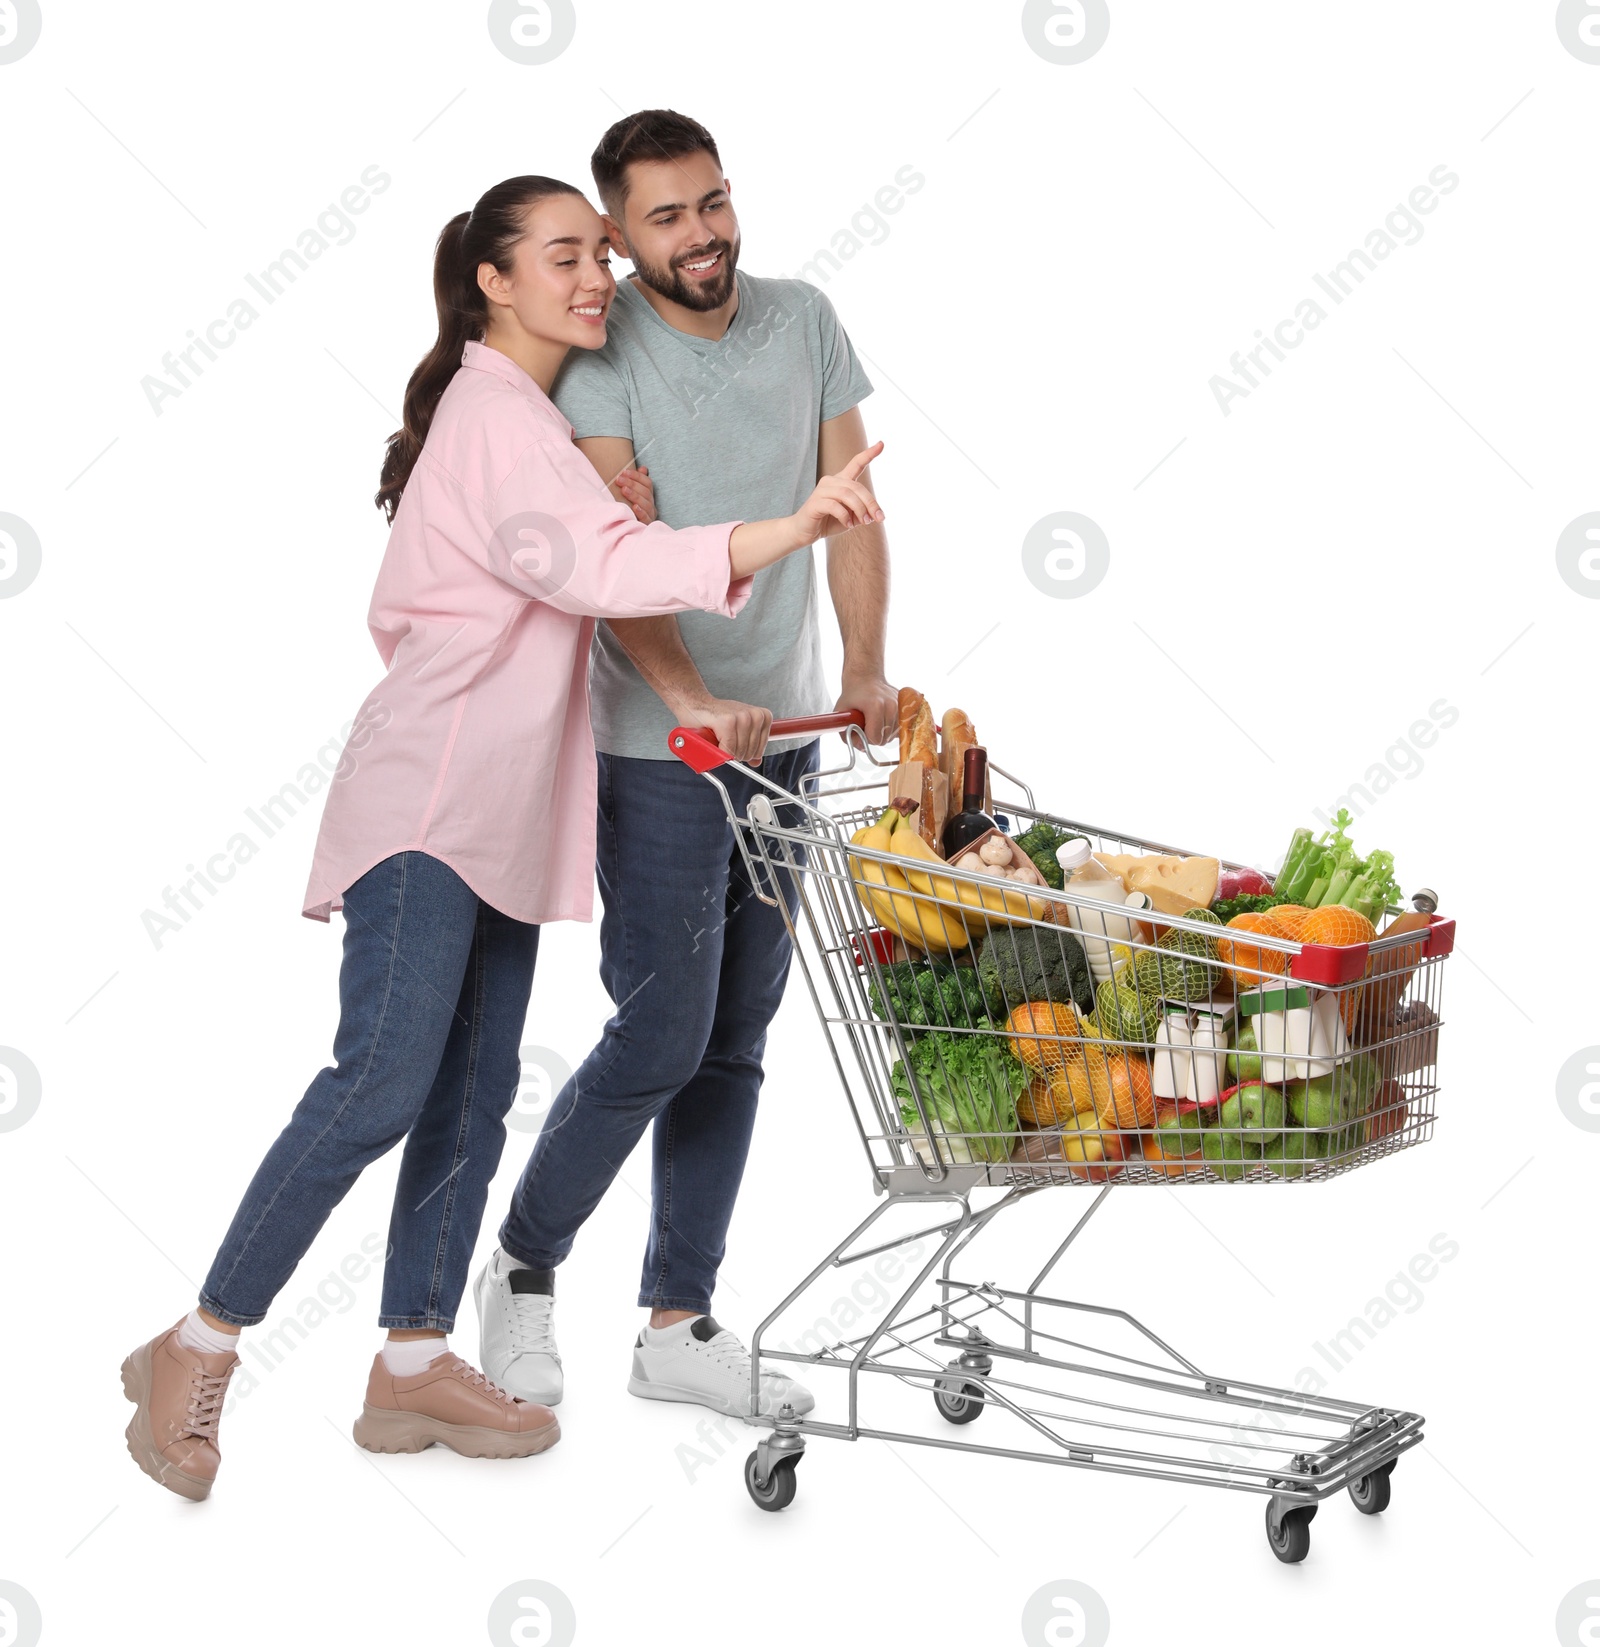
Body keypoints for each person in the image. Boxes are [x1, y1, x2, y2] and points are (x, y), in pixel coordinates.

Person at [119, 172, 884, 1500]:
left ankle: (413, 1360)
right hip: (428, 807)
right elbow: (602, 569)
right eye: (566, 255)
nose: (597, 277)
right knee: (378, 1087)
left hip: (508, 813)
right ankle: (193, 1350)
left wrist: (653, 521)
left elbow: (606, 548)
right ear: (494, 281)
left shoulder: (525, 417)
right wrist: (797, 518)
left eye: (600, 253)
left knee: (472, 1092)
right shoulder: (492, 418)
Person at [477, 111, 896, 1420]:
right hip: (657, 748)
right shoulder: (601, 360)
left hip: (786, 750)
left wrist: (867, 670)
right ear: (620, 233)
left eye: (711, 203)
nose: (701, 234)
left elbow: (855, 511)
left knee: (736, 1036)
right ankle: (526, 1272)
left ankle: (677, 1321)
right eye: (664, 217)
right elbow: (614, 560)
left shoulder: (807, 317)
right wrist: (692, 697)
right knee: (660, 1030)